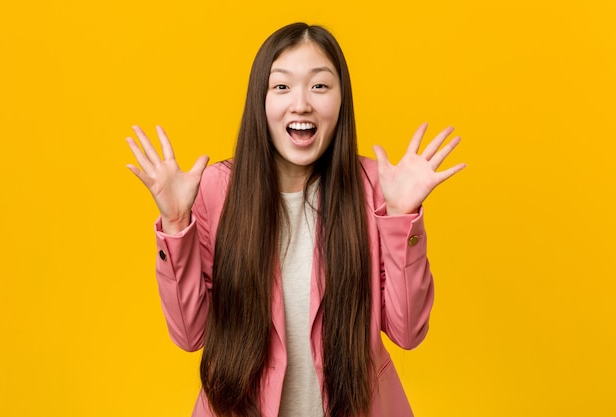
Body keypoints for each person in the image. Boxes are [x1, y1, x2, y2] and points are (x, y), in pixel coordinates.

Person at [126, 22, 465, 417]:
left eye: (319, 86)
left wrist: (402, 217)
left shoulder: (374, 188)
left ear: (342, 100)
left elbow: (408, 332)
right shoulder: (218, 190)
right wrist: (175, 224)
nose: (301, 103)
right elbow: (189, 334)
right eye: (282, 87)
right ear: (261, 101)